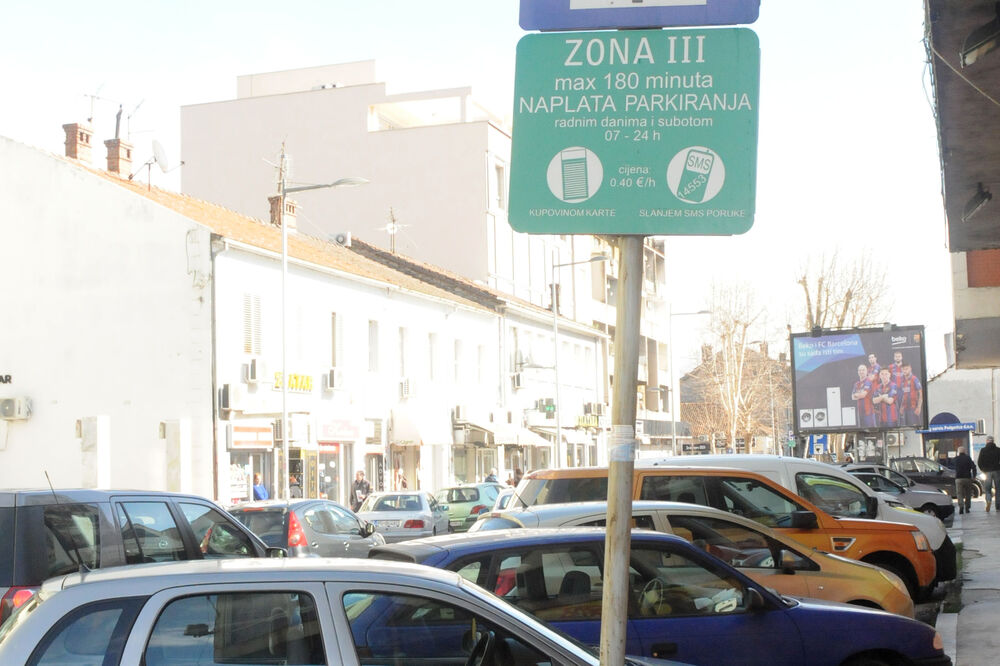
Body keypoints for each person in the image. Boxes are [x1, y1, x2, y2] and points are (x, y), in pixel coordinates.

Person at [977, 436, 1000, 513]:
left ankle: (989, 501)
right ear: (993, 441)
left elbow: (979, 462)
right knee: (998, 489)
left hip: (987, 472)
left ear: (987, 441)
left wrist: (983, 470)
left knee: (987, 489)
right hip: (997, 471)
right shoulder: (998, 450)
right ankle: (998, 505)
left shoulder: (983, 450)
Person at [954, 446, 977, 514]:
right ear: (965, 451)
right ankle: (967, 508)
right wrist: (974, 476)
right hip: (967, 478)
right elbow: (974, 467)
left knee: (959, 493)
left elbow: (952, 467)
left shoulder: (956, 459)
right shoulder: (968, 458)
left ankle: (961, 506)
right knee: (968, 494)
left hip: (959, 478)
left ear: (958, 452)